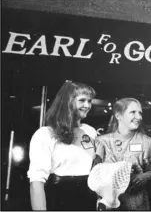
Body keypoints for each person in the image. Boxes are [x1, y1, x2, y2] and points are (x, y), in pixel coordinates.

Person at [27, 80, 98, 210]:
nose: (87, 105)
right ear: (68, 102)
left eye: (90, 101)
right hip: (58, 200)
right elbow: (36, 182)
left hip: (88, 200)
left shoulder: (90, 131)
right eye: (82, 100)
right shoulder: (45, 134)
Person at [94, 97, 151, 210]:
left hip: (137, 203)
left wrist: (144, 176)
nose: (138, 117)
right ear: (118, 116)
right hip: (109, 205)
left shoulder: (148, 142)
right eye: (133, 112)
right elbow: (94, 174)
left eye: (140, 113)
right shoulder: (101, 142)